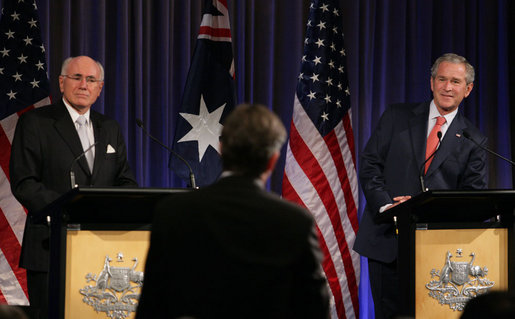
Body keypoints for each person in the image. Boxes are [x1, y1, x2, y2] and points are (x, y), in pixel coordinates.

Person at [136, 104, 329, 318]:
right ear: (273, 160)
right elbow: (314, 309)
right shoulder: (295, 222)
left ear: (220, 149)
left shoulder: (173, 212)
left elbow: (152, 306)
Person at [353, 53, 488, 319]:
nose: (447, 87)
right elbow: (370, 166)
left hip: (438, 252)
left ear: (468, 89)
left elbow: (471, 197)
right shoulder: (396, 116)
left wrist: (423, 210)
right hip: (387, 241)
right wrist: (388, 205)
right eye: (442, 79)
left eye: (455, 81)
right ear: (431, 82)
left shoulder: (474, 139)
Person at [9, 56, 138, 319]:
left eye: (91, 80)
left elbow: (125, 181)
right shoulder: (36, 123)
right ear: (61, 83)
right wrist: (68, 210)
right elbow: (24, 182)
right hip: (50, 247)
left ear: (99, 88)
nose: (83, 85)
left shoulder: (110, 128)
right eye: (76, 77)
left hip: (100, 249)